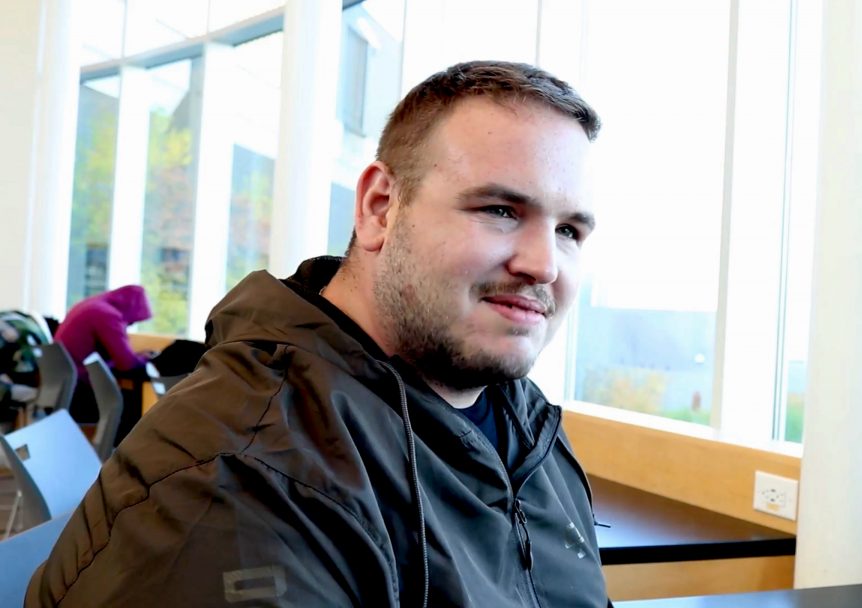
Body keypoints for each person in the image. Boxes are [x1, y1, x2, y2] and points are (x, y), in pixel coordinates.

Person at [27, 61, 608, 607]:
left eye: (570, 231)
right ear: (380, 208)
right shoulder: (239, 481)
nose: (544, 264)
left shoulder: (526, 428)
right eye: (501, 210)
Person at [53, 284, 153, 423]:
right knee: (133, 406)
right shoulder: (107, 315)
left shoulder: (91, 305)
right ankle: (120, 445)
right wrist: (146, 359)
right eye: (133, 321)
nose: (129, 324)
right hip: (80, 393)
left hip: (62, 387)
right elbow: (126, 363)